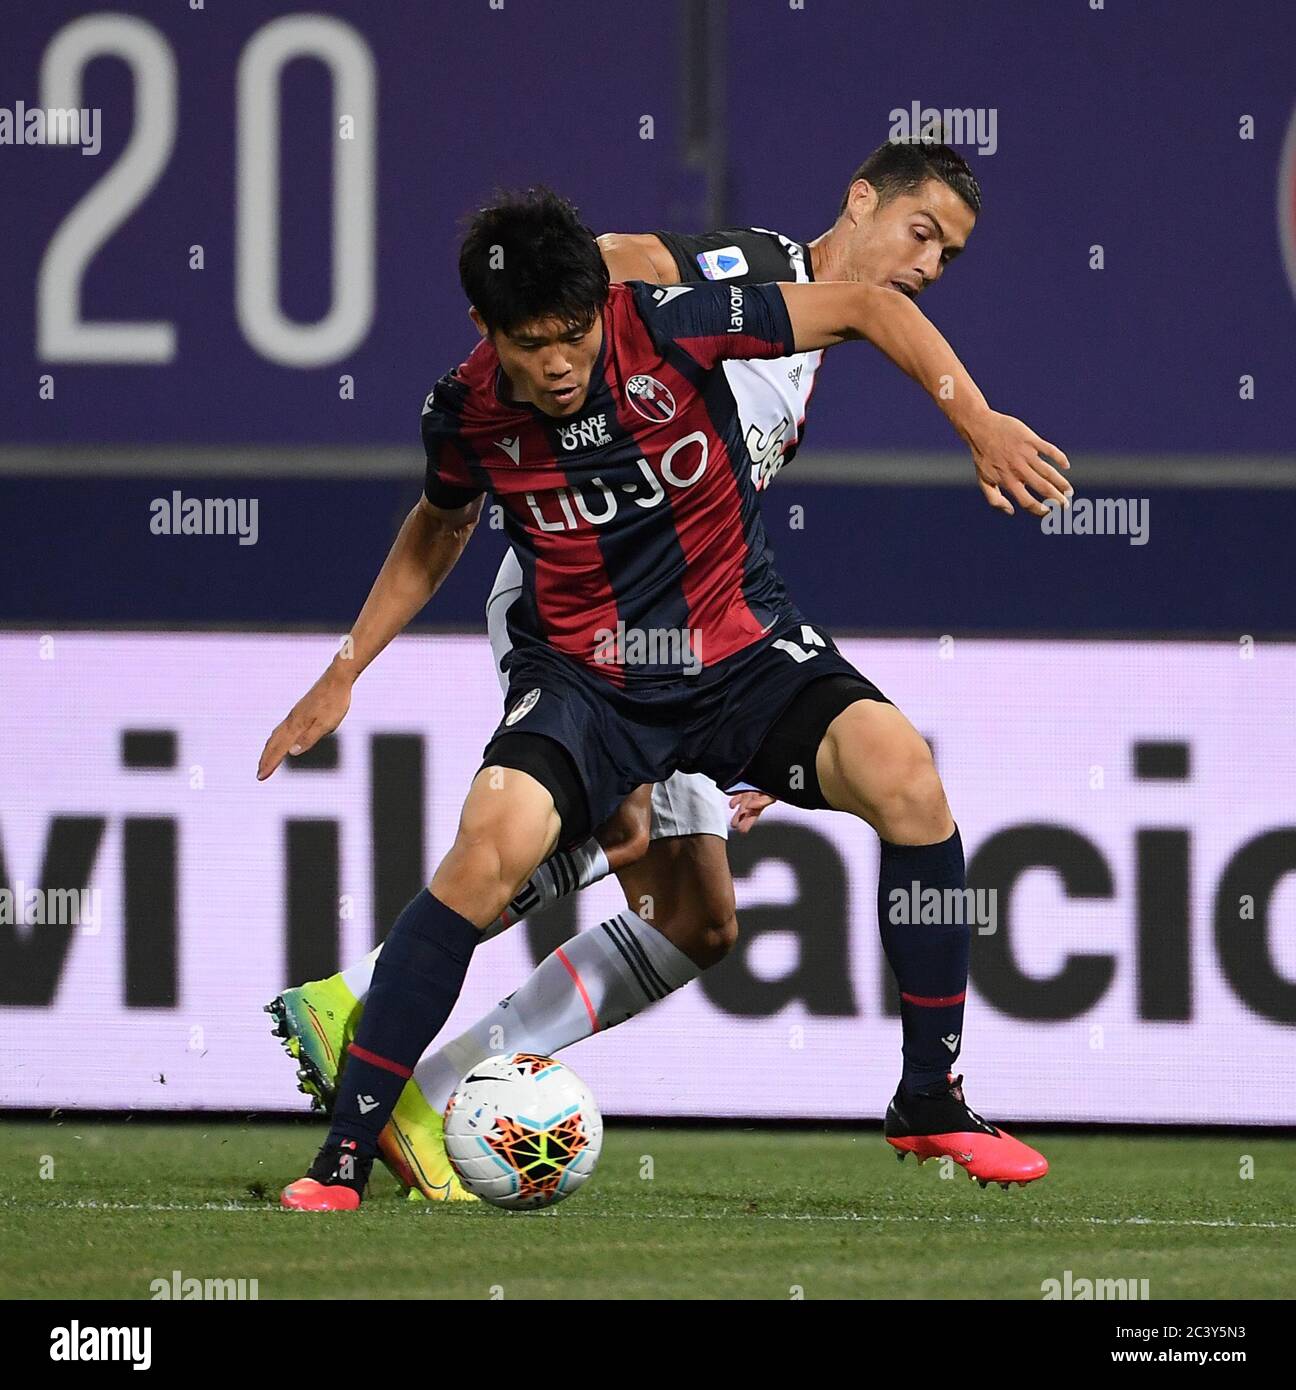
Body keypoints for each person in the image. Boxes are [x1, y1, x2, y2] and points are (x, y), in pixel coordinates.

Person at [260, 180, 1069, 1210]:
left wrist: (978, 420)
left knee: (903, 778)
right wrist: (344, 668)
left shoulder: (680, 324)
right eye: (527, 342)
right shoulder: (465, 407)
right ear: (486, 328)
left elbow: (868, 306)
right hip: (588, 678)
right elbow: (440, 526)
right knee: (487, 846)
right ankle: (341, 1158)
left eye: (571, 334)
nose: (554, 364)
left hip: (737, 649)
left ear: (600, 306)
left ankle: (930, 1097)